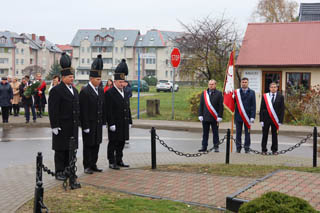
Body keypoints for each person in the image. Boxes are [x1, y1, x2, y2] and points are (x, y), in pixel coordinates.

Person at [48, 52, 80, 181]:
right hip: (61, 126)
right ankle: (59, 171)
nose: (72, 79)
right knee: (61, 150)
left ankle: (69, 170)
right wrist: (54, 125)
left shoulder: (75, 90)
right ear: (63, 77)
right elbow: (53, 109)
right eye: (70, 77)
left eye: (73, 76)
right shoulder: (56, 90)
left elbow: (77, 108)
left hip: (72, 125)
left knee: (71, 150)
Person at [79, 55, 106, 174]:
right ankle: (87, 165)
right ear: (91, 79)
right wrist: (85, 126)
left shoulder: (100, 90)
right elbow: (83, 110)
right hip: (89, 123)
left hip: (98, 123)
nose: (99, 81)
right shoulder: (85, 91)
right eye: (97, 79)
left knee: (96, 144)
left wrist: (103, 121)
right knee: (88, 145)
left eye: (100, 79)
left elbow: (102, 106)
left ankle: (94, 164)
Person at [105, 59, 132, 170]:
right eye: (120, 82)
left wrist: (130, 120)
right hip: (115, 123)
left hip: (124, 121)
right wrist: (110, 123)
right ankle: (111, 161)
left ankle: (119, 160)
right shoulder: (110, 93)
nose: (122, 84)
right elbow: (108, 110)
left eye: (123, 82)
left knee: (121, 142)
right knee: (113, 143)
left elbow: (127, 107)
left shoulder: (125, 92)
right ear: (115, 82)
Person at [198, 79, 223, 152]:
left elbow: (220, 106)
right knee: (205, 134)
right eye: (209, 84)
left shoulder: (219, 93)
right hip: (205, 117)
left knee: (215, 133)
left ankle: (216, 147)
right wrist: (200, 115)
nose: (211, 85)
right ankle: (204, 147)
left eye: (212, 84)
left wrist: (220, 116)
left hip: (215, 118)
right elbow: (201, 105)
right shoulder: (204, 93)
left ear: (215, 85)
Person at [260, 82, 285, 154]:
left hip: (275, 119)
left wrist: (280, 120)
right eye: (272, 87)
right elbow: (262, 108)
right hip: (266, 119)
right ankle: (263, 150)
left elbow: (282, 109)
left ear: (277, 88)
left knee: (275, 135)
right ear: (269, 88)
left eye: (275, 87)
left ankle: (274, 150)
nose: (273, 88)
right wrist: (261, 120)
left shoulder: (280, 97)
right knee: (265, 135)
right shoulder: (265, 96)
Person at [234, 77, 256, 153]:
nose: (244, 83)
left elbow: (253, 105)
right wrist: (232, 97)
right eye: (243, 82)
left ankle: (247, 148)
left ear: (248, 83)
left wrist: (253, 116)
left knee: (247, 133)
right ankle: (238, 147)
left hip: (248, 116)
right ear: (241, 83)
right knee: (238, 133)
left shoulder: (252, 92)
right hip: (238, 116)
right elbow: (232, 104)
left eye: (245, 82)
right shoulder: (236, 92)